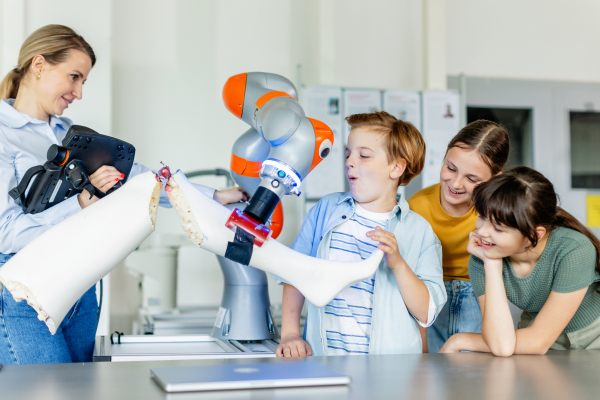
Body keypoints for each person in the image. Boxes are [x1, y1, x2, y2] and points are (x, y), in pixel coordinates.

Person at [0, 25, 245, 365]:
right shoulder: (3, 135)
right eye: (74, 77)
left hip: (80, 286)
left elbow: (144, 179)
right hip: (23, 291)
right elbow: (5, 233)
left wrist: (213, 195)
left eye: (83, 81)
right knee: (46, 389)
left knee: (76, 389)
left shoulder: (68, 135)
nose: (79, 92)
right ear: (39, 65)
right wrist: (81, 204)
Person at [275, 111, 446, 357]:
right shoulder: (326, 210)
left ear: (396, 167)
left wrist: (398, 264)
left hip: (393, 372)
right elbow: (294, 273)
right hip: (326, 361)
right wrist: (290, 333)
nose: (350, 161)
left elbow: (426, 312)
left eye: (364, 155)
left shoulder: (420, 232)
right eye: (348, 154)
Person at [439, 167, 600, 355]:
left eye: (498, 228)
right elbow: (501, 346)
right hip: (536, 337)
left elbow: (537, 343)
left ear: (534, 234)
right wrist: (492, 264)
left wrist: (460, 340)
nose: (482, 232)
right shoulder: (482, 257)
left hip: (593, 337)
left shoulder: (574, 249)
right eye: (482, 217)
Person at [408, 120, 509, 353]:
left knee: (474, 379)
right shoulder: (416, 207)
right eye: (451, 168)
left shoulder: (496, 215)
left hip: (479, 295)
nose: (455, 183)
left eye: (472, 179)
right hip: (430, 299)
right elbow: (412, 283)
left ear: (495, 178)